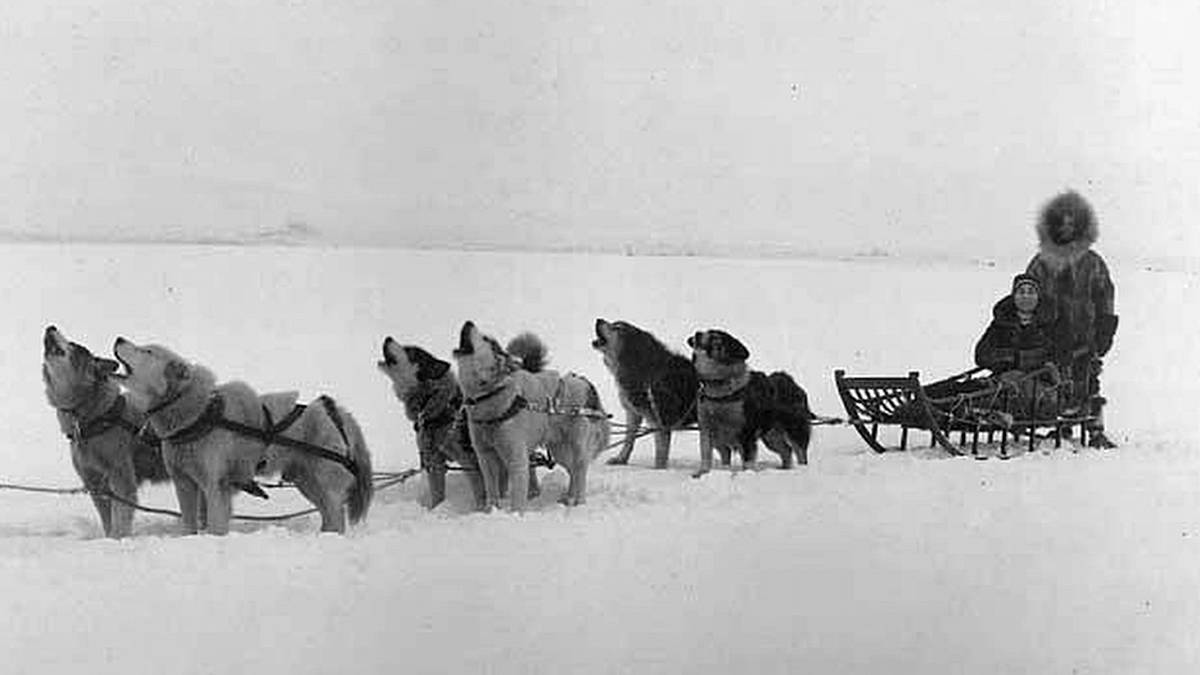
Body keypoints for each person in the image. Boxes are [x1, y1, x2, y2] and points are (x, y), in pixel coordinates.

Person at [1024, 190, 1118, 448]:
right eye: (1061, 222)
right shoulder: (1042, 262)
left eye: (1071, 222)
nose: (1066, 227)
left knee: (1089, 380)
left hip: (1086, 333)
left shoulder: (1093, 262)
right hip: (1052, 334)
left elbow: (1105, 294)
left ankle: (1095, 429)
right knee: (1056, 381)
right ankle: (1061, 428)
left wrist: (1106, 327)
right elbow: (1028, 292)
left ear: (1079, 226)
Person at [973, 273, 1063, 419]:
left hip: (1039, 390)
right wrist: (1004, 359)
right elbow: (982, 354)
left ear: (1038, 296)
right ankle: (930, 399)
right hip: (1001, 383)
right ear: (1014, 296)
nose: (1026, 296)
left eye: (1031, 292)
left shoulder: (1052, 325)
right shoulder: (1001, 324)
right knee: (965, 389)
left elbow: (1059, 355)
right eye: (1021, 292)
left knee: (995, 391)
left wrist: (1020, 360)